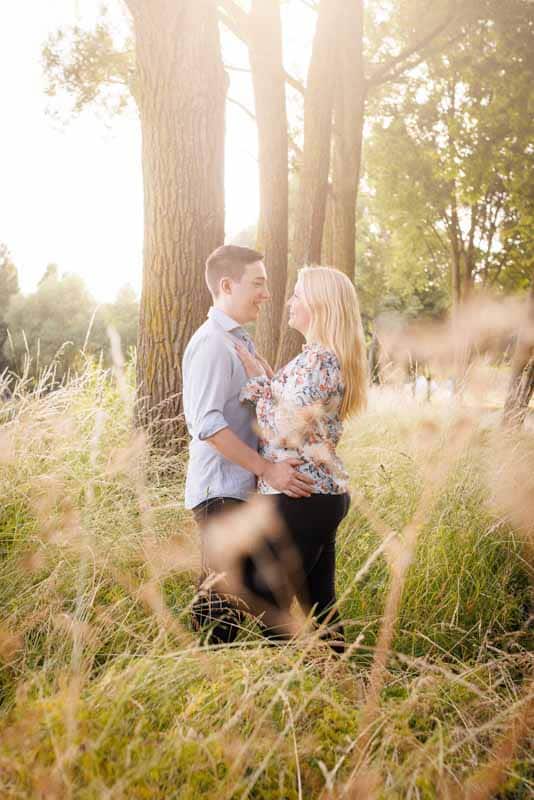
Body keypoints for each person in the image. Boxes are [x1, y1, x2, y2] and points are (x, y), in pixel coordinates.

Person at [182, 245, 314, 643]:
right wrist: (268, 470)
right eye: (258, 283)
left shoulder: (238, 341)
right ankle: (205, 675)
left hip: (241, 490)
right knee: (221, 604)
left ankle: (242, 670)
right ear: (226, 286)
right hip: (220, 491)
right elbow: (208, 425)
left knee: (242, 595)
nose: (267, 294)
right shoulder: (212, 344)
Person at [235, 266, 368, 653]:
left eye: (297, 295)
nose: (289, 302)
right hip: (315, 496)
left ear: (319, 305)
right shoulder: (316, 358)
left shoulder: (320, 361)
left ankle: (282, 685)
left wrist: (256, 383)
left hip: (303, 496)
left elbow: (285, 427)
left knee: (266, 598)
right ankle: (340, 680)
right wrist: (269, 383)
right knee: (320, 604)